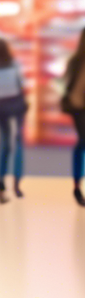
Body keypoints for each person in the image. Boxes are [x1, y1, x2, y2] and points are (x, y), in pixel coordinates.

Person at [0, 39, 28, 204]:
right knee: (18, 142)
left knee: (4, 145)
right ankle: (17, 184)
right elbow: (22, 86)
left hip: (0, 107)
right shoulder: (15, 65)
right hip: (16, 105)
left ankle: (0, 184)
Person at [61, 28, 85, 207]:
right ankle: (77, 185)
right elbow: (66, 83)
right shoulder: (76, 61)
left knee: (81, 143)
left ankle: (77, 185)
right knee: (82, 142)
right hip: (79, 108)